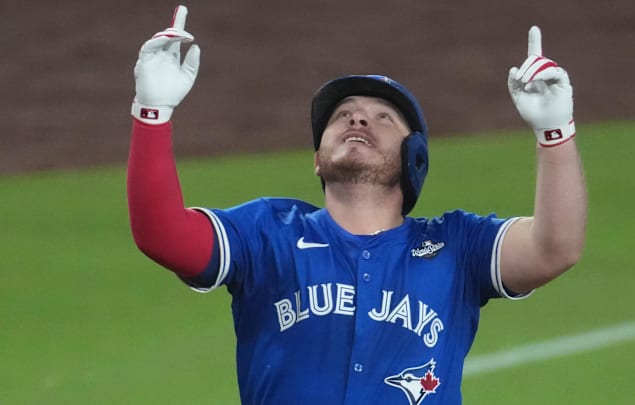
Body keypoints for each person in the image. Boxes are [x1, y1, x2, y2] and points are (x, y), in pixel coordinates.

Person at [127, 5, 587, 405]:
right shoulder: (269, 232)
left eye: (383, 118)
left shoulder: (456, 247)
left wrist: (555, 132)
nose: (358, 117)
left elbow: (555, 248)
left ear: (414, 160)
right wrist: (152, 110)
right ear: (316, 160)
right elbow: (163, 236)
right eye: (343, 114)